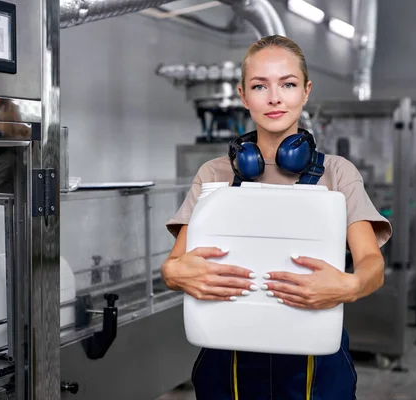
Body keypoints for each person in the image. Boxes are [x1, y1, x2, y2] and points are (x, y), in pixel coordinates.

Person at [161, 35, 392, 399]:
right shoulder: (214, 174)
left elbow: (371, 264)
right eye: (259, 86)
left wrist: (349, 286)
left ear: (305, 91)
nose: (274, 98)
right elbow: (175, 264)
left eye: (287, 84)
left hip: (315, 366)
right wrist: (175, 273)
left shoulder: (337, 173)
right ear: (243, 95)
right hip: (229, 361)